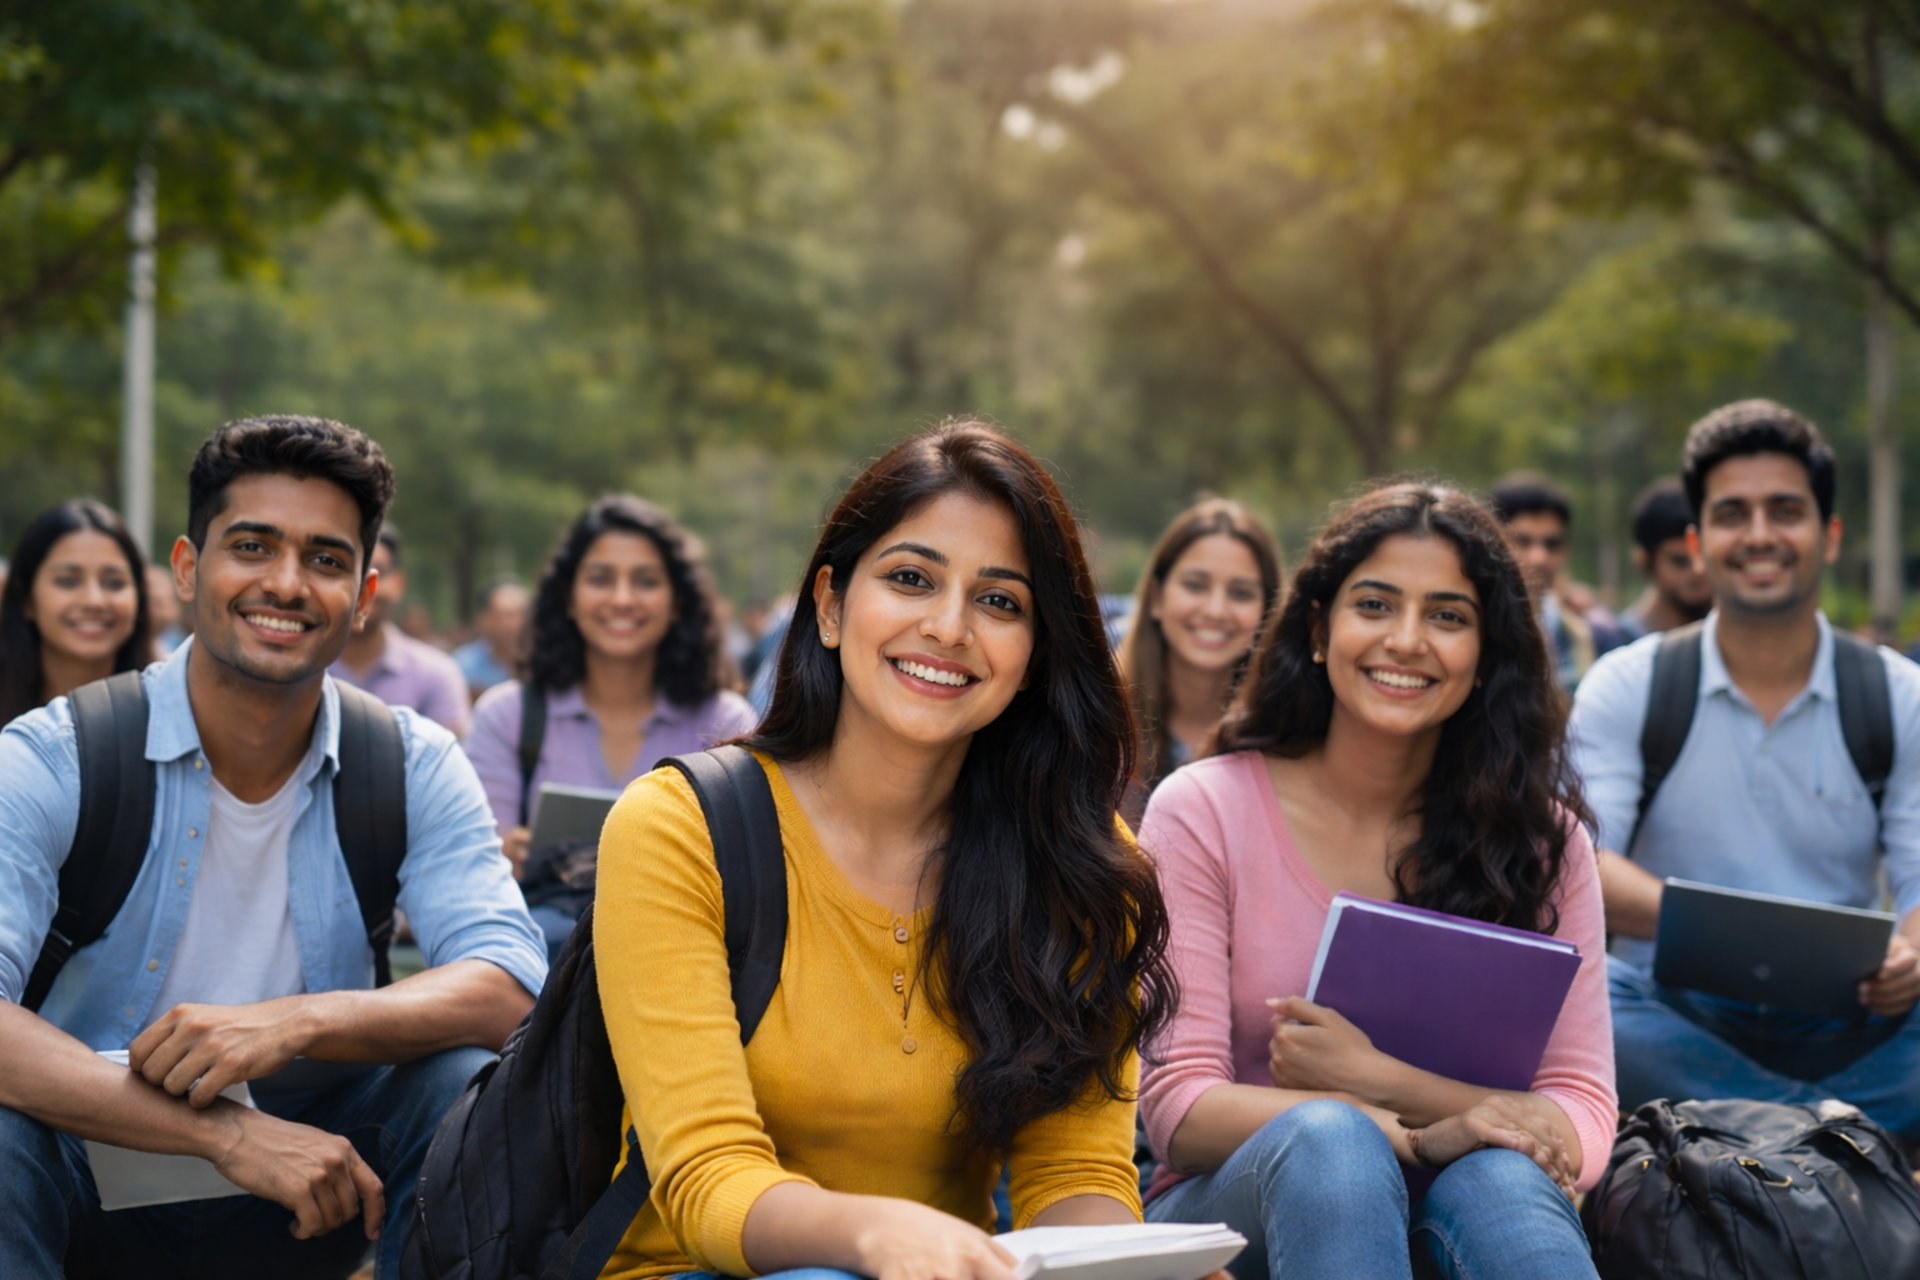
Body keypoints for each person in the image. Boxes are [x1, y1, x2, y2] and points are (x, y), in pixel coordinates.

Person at [590, 421, 1179, 1280]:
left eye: (1000, 602)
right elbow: (706, 1177)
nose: (949, 627)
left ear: (1034, 655)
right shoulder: (679, 828)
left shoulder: (1078, 862)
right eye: (911, 579)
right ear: (831, 606)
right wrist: (869, 1237)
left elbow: (1075, 1174)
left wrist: (1122, 1267)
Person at [0, 415, 548, 1279]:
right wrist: (225, 1134)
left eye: (326, 560)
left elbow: (510, 984)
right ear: (188, 569)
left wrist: (297, 1020)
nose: (286, 584)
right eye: (252, 547)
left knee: (466, 1086)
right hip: (86, 1176)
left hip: (317, 1187)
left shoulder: (410, 760)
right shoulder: (56, 755)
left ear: (363, 596)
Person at [1139, 482, 1615, 1280]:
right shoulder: (1204, 810)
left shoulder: (1544, 844)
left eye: (1447, 617)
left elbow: (1584, 1115)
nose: (1406, 640)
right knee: (1333, 1142)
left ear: (1487, 655)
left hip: (1460, 1214)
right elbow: (1179, 1109)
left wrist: (1379, 1080)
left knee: (1503, 1181)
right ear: (1318, 629)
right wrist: (1409, 1133)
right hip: (1239, 1212)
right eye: (1374, 605)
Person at [1570, 399, 1920, 1142]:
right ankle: (1838, 1137)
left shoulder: (1898, 694)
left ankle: (1750, 1129)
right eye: (1733, 514)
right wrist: (1719, 934)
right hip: (1675, 1012)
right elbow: (1580, 861)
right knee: (1578, 995)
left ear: (1828, 535)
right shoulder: (1629, 684)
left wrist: (1909, 959)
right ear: (1698, 544)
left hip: (1851, 1017)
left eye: (1785, 511)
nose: (1760, 535)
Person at [464, 495, 755, 958]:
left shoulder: (727, 720)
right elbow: (473, 872)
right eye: (601, 579)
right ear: (569, 597)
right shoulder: (508, 715)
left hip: (682, 960)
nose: (622, 599)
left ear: (677, 602)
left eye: (646, 581)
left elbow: (748, 872)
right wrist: (503, 856)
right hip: (540, 969)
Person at [1116, 498, 1282, 802]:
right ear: (1156, 598)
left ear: (1268, 611)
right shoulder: (1099, 716)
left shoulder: (1283, 740)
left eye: (1241, 593)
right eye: (1195, 585)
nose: (1215, 610)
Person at [0, 498, 151, 727]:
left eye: (114, 583)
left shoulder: (172, 715)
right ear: (27, 599)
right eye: (67, 581)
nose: (94, 601)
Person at [329, 526, 471, 737]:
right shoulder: (299, 667)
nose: (362, 585)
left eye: (377, 571)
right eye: (345, 568)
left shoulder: (437, 675)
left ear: (399, 584)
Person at [1488, 473, 1623, 690]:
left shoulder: (1590, 636)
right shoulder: (1474, 629)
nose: (1539, 557)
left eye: (1551, 544)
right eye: (1522, 541)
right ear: (1493, 543)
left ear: (1565, 550)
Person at [1615, 477, 1711, 641]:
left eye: (1704, 556)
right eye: (1680, 561)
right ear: (1645, 562)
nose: (1698, 570)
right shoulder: (1615, 643)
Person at [453, 579, 531, 699]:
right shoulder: (463, 664)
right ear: (484, 619)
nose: (513, 623)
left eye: (522, 613)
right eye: (506, 615)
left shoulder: (543, 659)